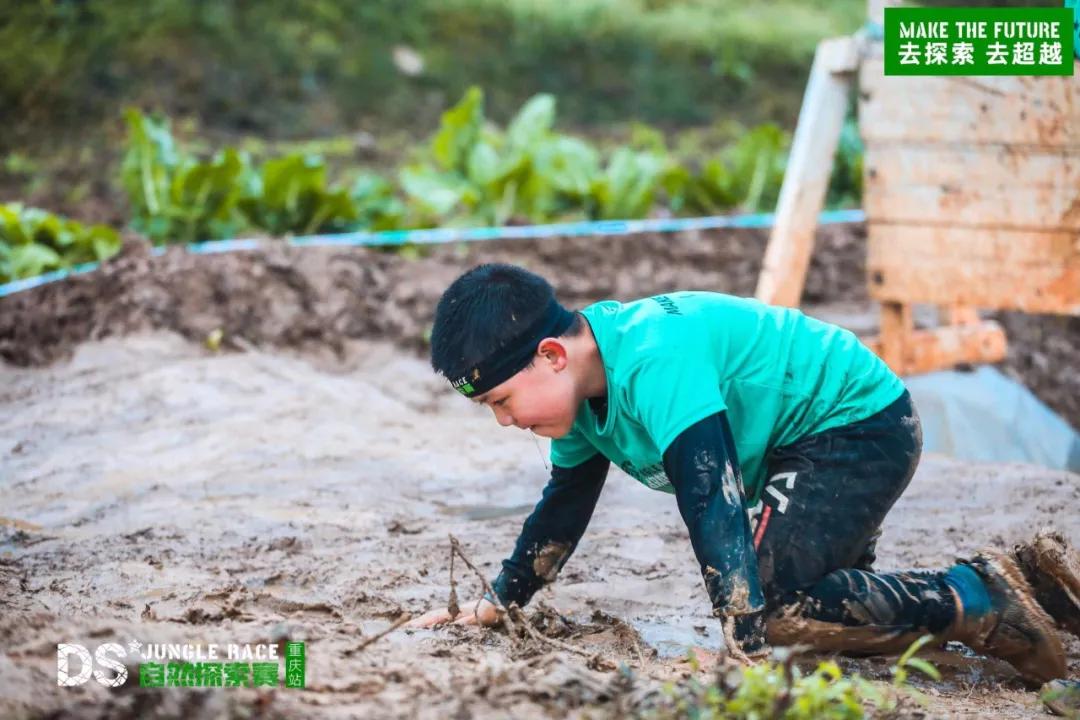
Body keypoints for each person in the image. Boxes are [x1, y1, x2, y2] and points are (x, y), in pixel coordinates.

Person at [409, 263, 1074, 686]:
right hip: (807, 444)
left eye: (502, 402)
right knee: (820, 616)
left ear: (552, 354)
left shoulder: (649, 358)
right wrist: (500, 603)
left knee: (780, 609)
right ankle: (1038, 584)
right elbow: (562, 509)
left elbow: (712, 500)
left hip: (855, 425)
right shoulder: (580, 402)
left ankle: (978, 597)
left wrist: (742, 647)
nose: (505, 422)